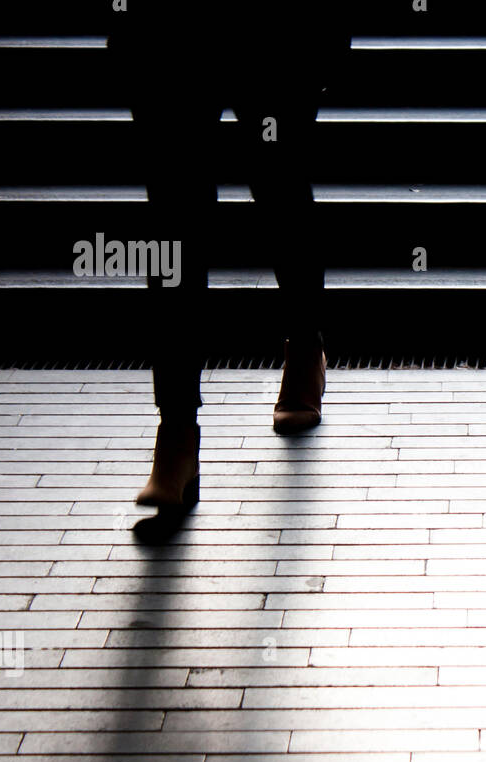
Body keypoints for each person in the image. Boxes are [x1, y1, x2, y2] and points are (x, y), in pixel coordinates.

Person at [107, 1, 350, 509]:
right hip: (173, 25)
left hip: (270, 19)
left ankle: (304, 347)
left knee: (276, 185)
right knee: (177, 217)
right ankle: (175, 429)